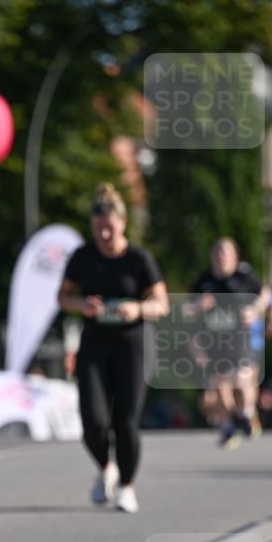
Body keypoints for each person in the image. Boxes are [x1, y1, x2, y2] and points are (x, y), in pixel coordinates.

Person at [57, 183, 168, 513]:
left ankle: (127, 487)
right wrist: (81, 304)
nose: (104, 233)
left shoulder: (138, 259)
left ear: (123, 222)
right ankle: (106, 468)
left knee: (126, 421)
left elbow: (162, 303)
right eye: (97, 227)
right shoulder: (83, 257)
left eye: (109, 226)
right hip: (94, 344)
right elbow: (63, 298)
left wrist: (138, 309)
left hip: (131, 346)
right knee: (93, 420)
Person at [190, 238, 270, 449]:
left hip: (240, 338)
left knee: (242, 379)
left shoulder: (244, 275)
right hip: (214, 340)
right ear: (212, 256)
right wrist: (198, 306)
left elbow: (265, 294)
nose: (221, 256)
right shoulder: (204, 280)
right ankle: (230, 426)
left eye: (226, 252)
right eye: (217, 252)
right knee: (220, 386)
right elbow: (186, 310)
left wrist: (255, 310)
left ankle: (246, 412)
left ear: (235, 256)